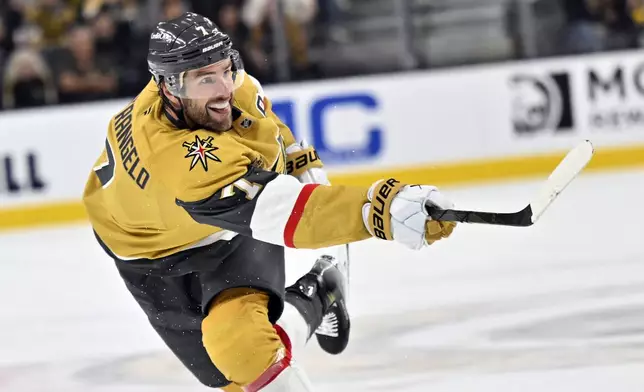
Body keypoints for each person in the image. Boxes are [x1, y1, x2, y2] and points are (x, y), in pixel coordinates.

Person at [81, 12, 457, 391]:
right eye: (204, 79)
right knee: (229, 383)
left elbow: (270, 136)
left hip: (225, 231)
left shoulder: (232, 91)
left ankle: (308, 302)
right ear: (167, 88)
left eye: (225, 69)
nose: (223, 89)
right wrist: (381, 209)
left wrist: (300, 162)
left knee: (241, 350)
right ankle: (318, 295)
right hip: (146, 259)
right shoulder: (176, 159)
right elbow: (297, 214)